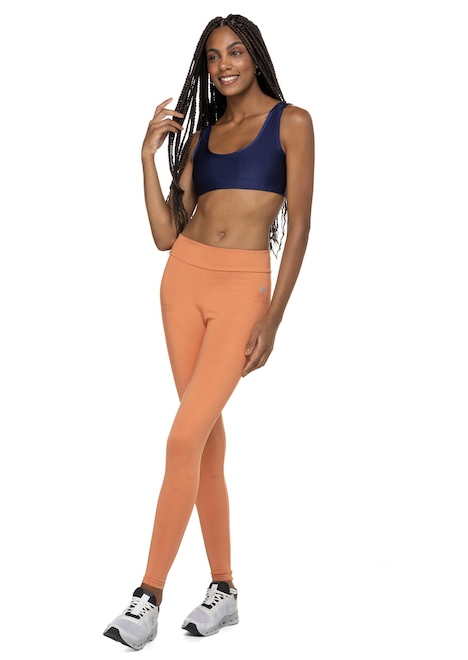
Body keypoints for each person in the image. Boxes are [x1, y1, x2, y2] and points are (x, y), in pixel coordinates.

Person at [103, 13, 314, 650]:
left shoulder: (292, 123)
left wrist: (273, 318)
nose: (224, 65)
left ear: (256, 57)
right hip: (182, 286)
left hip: (243, 291)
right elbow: (165, 235)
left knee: (183, 437)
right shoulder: (201, 138)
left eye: (236, 52)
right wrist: (146, 158)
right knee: (204, 441)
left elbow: (300, 229)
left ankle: (148, 597)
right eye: (214, 56)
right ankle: (224, 590)